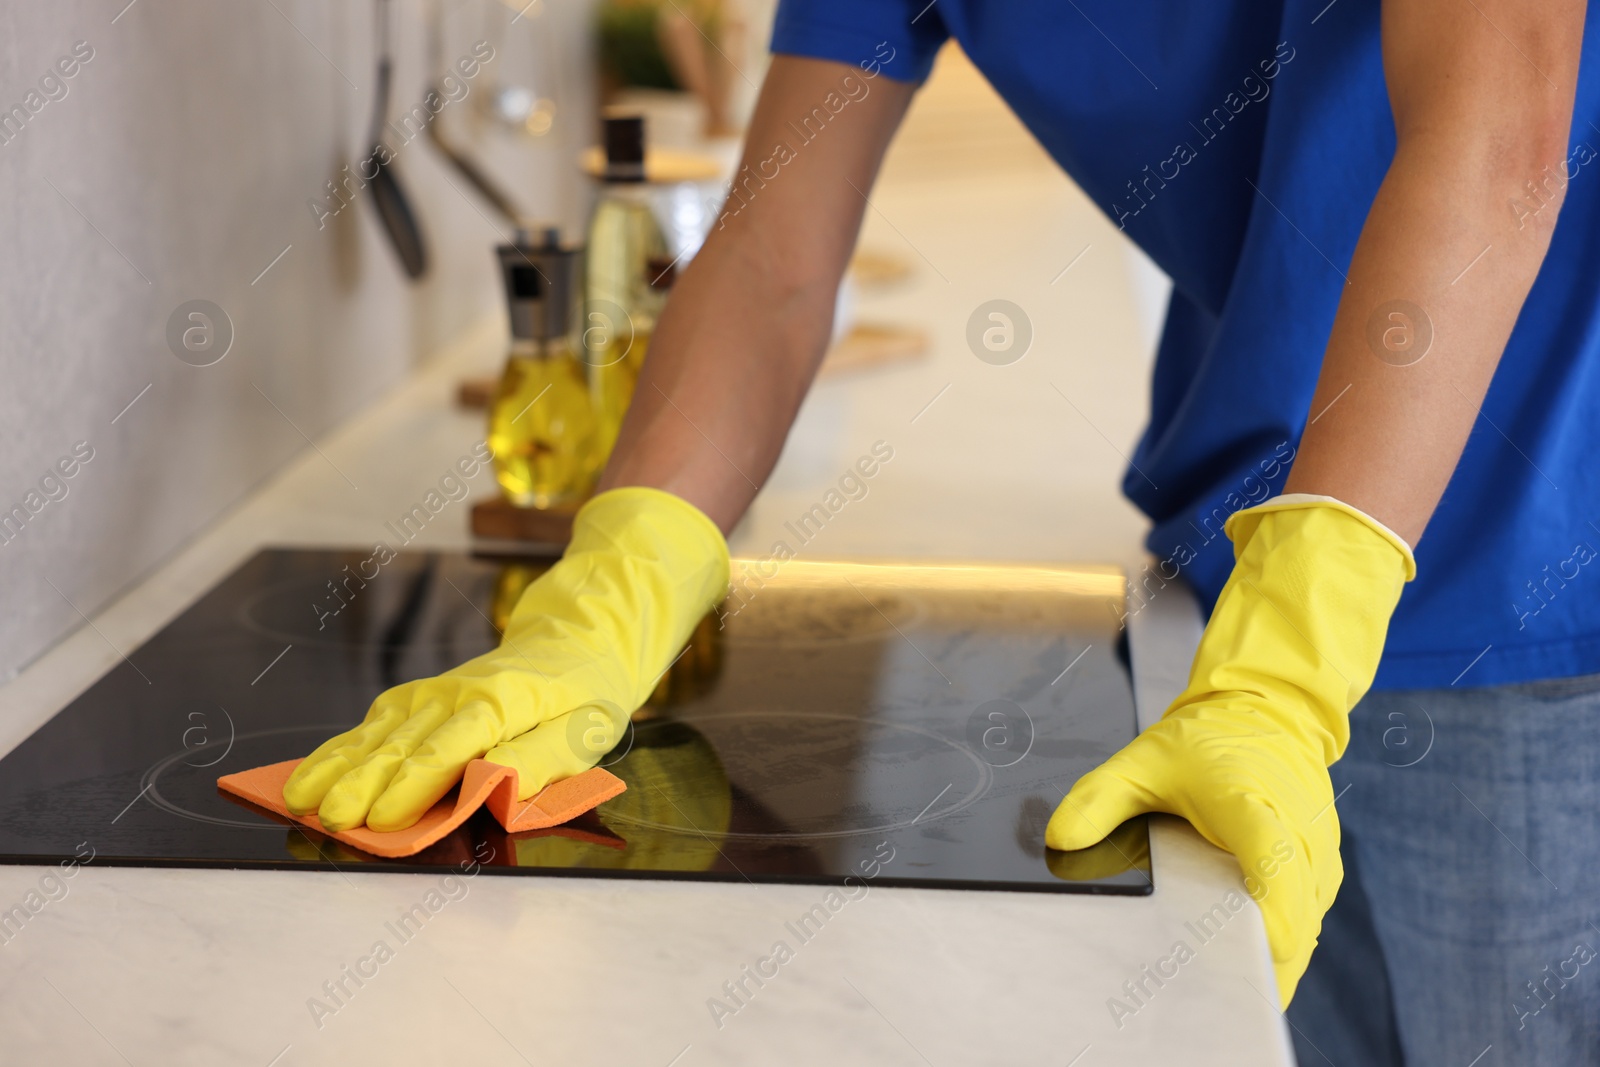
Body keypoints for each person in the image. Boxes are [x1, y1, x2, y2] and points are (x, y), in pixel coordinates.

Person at [282, 2, 1598, 1061]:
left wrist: (1294, 656)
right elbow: (773, 252)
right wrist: (607, 598)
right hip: (1243, 562)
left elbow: (1499, 131)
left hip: (1533, 569)